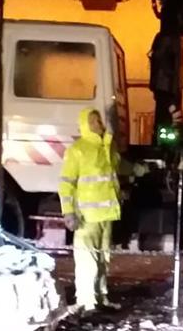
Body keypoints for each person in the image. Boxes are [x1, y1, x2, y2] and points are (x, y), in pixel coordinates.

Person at [58, 108, 146, 314]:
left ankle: (101, 298)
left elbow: (118, 166)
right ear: (85, 125)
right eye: (93, 121)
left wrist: (136, 169)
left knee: (103, 259)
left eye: (98, 120)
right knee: (87, 260)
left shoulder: (107, 146)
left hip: (106, 216)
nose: (99, 124)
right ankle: (87, 302)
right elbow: (66, 184)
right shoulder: (78, 150)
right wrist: (68, 212)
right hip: (86, 218)